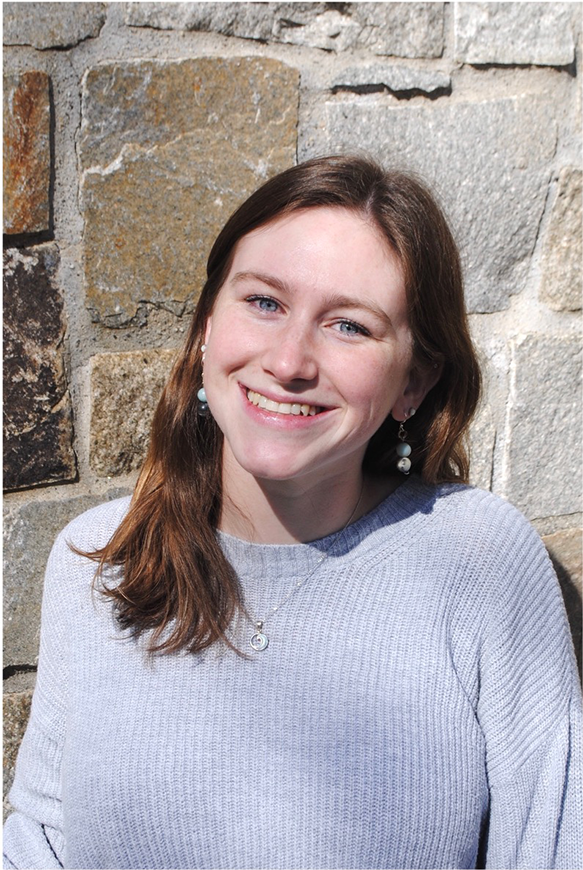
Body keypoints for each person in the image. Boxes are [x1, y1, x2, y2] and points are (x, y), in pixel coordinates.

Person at [4, 155, 581, 870]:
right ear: (207, 326)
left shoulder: (482, 564)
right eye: (264, 303)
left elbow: (554, 846)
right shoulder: (100, 559)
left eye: (347, 326)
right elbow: (39, 841)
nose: (289, 361)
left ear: (415, 380)